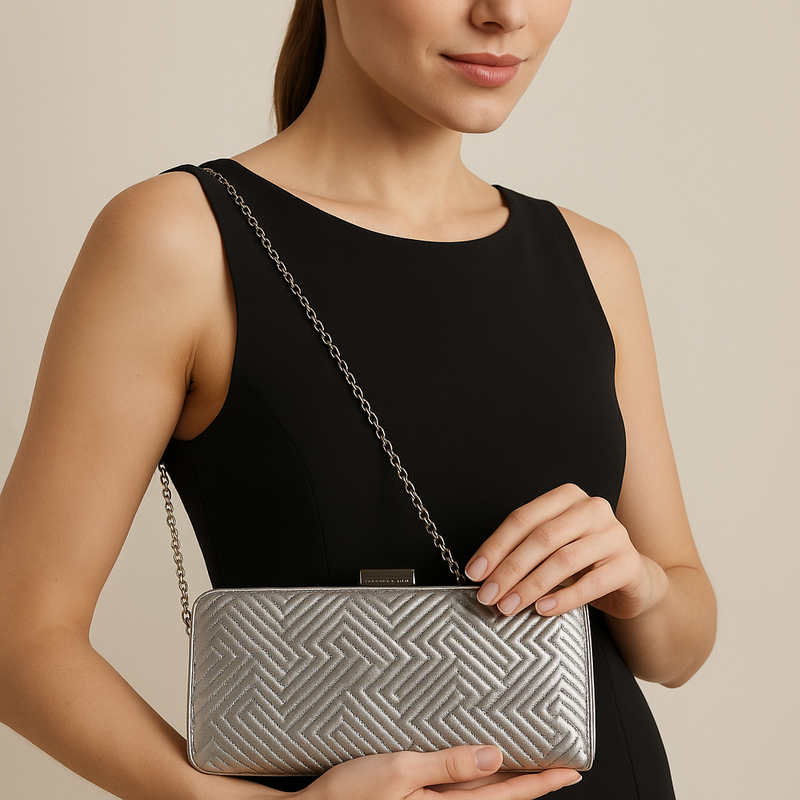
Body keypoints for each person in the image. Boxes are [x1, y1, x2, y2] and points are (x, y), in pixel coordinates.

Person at [0, 1, 717, 798]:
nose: (506, 13)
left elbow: (680, 647)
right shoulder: (180, 239)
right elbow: (18, 634)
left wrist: (641, 584)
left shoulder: (593, 261)